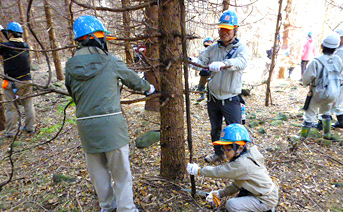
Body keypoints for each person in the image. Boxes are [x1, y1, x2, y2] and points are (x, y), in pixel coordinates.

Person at [65, 15, 155, 212]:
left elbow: (73, 93)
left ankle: (106, 206)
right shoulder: (111, 61)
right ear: (95, 38)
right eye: (102, 37)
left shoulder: (70, 66)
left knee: (98, 172)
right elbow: (133, 80)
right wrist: (149, 88)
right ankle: (126, 208)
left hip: (86, 127)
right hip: (111, 125)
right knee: (121, 171)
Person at [190, 10, 250, 162]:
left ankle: (239, 157)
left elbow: (241, 62)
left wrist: (224, 64)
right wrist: (191, 61)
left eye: (228, 29)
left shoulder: (242, 48)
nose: (224, 33)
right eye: (222, 29)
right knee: (215, 129)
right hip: (214, 97)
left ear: (235, 30)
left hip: (231, 98)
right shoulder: (212, 48)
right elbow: (200, 63)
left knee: (236, 129)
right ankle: (218, 153)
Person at [187, 124, 278, 212]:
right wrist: (220, 193)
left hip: (266, 198)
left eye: (228, 149)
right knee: (239, 197)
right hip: (264, 192)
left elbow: (219, 171)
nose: (225, 152)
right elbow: (237, 184)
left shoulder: (242, 164)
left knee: (232, 205)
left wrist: (199, 170)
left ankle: (265, 207)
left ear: (239, 148)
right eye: (224, 149)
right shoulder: (247, 157)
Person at [301, 32, 342, 140]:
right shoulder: (338, 60)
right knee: (326, 112)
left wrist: (306, 83)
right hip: (334, 93)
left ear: (322, 46)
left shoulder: (316, 61)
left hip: (318, 93)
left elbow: (306, 78)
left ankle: (302, 138)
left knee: (310, 114)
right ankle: (327, 134)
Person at [0, 22, 35, 138]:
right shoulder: (25, 46)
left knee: (11, 107)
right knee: (28, 104)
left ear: (10, 33)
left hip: (12, 82)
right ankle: (30, 127)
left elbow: (7, 43)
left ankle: (10, 132)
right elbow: (12, 40)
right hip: (27, 80)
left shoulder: (5, 47)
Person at [331, 28, 343, 128]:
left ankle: (322, 123)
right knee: (336, 102)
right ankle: (341, 121)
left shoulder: (341, 51)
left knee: (331, 102)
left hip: (339, 80)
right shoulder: (339, 50)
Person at [197, 37, 213, 102]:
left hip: (206, 71)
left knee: (201, 86)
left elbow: (199, 61)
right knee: (209, 87)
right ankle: (207, 98)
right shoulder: (213, 52)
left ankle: (203, 96)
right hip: (210, 71)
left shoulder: (203, 52)